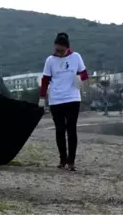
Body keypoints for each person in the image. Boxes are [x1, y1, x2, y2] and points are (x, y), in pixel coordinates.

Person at [38, 32, 89, 171]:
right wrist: (42, 98)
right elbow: (45, 80)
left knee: (71, 129)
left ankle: (71, 161)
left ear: (67, 48)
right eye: (56, 50)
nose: (58, 53)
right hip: (56, 99)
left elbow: (85, 73)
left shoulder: (76, 57)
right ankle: (62, 159)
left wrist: (79, 77)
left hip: (72, 98)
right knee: (60, 130)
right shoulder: (50, 60)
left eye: (61, 50)